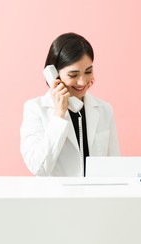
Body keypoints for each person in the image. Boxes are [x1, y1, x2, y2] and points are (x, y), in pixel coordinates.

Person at [20, 32, 120, 176]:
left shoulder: (105, 109)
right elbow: (39, 168)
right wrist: (59, 116)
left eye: (88, 72)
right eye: (73, 75)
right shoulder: (35, 109)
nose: (82, 82)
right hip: (56, 197)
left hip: (97, 196)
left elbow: (115, 167)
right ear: (54, 75)